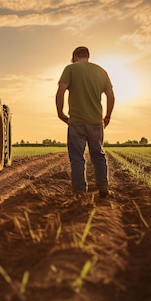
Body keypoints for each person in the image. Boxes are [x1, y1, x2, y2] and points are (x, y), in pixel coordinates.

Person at [55, 46, 115, 198]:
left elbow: (61, 91)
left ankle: (80, 192)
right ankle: (103, 188)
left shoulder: (70, 69)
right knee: (98, 155)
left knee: (77, 158)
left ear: (74, 56)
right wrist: (107, 116)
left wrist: (60, 113)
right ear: (88, 56)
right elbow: (110, 95)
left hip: (76, 122)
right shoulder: (101, 71)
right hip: (96, 122)